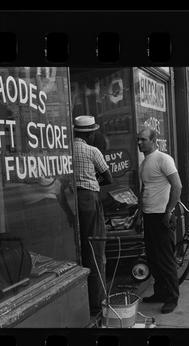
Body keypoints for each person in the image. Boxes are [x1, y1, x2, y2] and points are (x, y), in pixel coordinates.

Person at [138, 127, 182, 314]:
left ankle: (172, 297)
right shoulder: (144, 163)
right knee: (154, 259)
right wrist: (140, 213)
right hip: (149, 216)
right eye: (138, 140)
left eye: (143, 139)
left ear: (154, 140)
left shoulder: (163, 159)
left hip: (161, 216)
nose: (139, 143)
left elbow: (177, 186)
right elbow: (145, 189)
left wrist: (169, 212)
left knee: (165, 260)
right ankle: (160, 293)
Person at [73, 115, 112, 315]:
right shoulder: (91, 150)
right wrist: (94, 181)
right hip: (89, 198)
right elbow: (108, 177)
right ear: (90, 133)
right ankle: (97, 301)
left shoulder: (68, 150)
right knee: (95, 249)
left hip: (71, 199)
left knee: (77, 247)